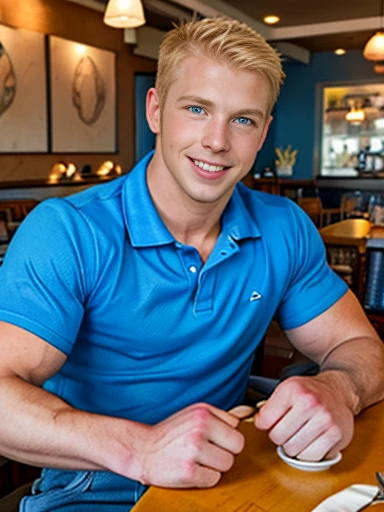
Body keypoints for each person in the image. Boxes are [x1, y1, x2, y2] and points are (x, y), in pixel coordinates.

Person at [0, 16, 384, 512]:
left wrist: (340, 388)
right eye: (197, 109)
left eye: (243, 119)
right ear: (156, 110)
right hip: (99, 486)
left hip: (238, 468)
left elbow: (360, 346)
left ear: (264, 131)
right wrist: (141, 449)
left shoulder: (284, 227)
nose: (217, 141)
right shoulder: (69, 231)